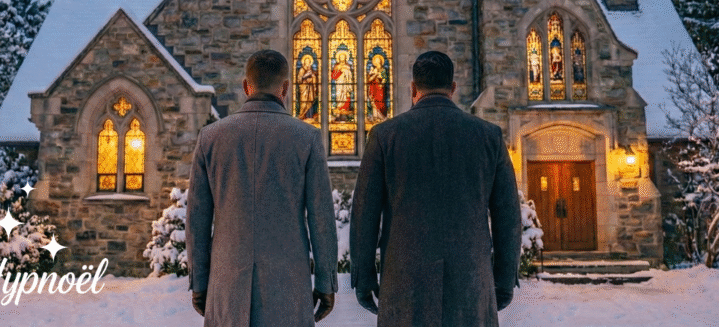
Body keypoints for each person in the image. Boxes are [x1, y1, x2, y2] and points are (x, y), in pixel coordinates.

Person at [349, 51, 521, 326]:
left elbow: (364, 214)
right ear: (453, 88)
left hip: (405, 283)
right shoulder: (489, 136)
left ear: (413, 89)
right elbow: (508, 216)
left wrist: (364, 278)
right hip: (470, 281)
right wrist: (504, 279)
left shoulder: (384, 136)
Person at [186, 49, 338, 326]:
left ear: (246, 86)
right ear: (286, 88)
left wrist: (199, 281)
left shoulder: (210, 137)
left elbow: (197, 218)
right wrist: (327, 282)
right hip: (288, 289)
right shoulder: (307, 138)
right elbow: (321, 219)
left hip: (227, 285)